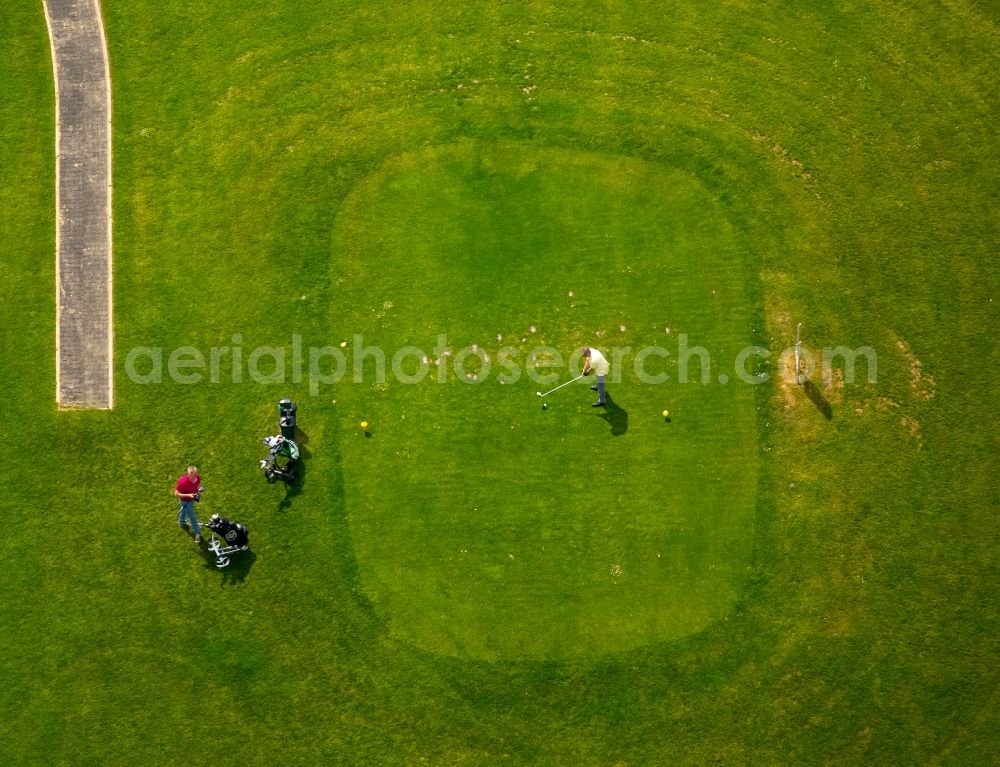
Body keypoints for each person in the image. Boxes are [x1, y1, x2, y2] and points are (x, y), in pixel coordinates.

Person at [175, 465, 202, 543]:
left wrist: (198, 491)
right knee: (192, 517)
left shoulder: (198, 478)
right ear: (188, 474)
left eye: (194, 475)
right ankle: (197, 533)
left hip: (192, 499)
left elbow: (198, 484)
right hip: (185, 500)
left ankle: (182, 522)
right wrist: (188, 495)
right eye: (190, 475)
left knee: (184, 510)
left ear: (196, 473)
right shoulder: (183, 482)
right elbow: (176, 494)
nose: (192, 477)